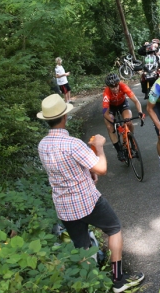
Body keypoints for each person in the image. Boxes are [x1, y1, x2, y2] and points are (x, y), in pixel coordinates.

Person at [37, 94, 144, 293]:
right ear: (64, 117)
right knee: (114, 229)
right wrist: (100, 148)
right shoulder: (73, 144)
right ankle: (118, 281)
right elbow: (101, 169)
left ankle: (91, 285)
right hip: (87, 202)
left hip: (64, 207)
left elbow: (63, 170)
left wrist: (88, 162)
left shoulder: (42, 146)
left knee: (82, 245)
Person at [102, 73, 145, 162]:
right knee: (110, 127)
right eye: (112, 87)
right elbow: (105, 113)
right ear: (108, 87)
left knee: (128, 122)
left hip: (122, 104)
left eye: (116, 85)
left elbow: (136, 101)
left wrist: (140, 112)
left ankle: (131, 138)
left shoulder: (123, 86)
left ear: (119, 83)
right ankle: (119, 151)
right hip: (111, 108)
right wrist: (114, 123)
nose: (115, 88)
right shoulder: (106, 93)